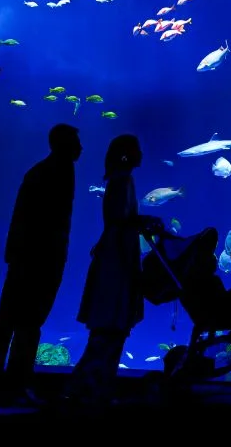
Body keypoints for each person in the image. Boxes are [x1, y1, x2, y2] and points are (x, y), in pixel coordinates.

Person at [0, 123, 82, 406]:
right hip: (36, 259)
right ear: (63, 144)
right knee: (19, 321)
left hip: (34, 259)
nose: (81, 147)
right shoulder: (50, 172)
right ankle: (6, 385)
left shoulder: (52, 170)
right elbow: (32, 219)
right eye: (76, 142)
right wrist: (25, 256)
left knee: (17, 320)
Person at [65, 133, 159, 406]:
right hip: (117, 263)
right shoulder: (123, 180)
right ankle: (84, 392)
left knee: (108, 332)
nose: (142, 153)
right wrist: (143, 222)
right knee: (109, 330)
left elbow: (119, 220)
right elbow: (119, 220)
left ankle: (91, 390)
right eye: (137, 149)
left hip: (114, 258)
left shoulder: (119, 179)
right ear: (127, 154)